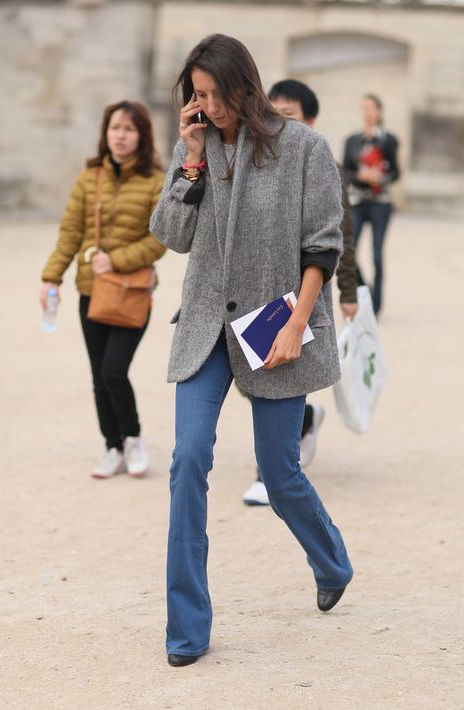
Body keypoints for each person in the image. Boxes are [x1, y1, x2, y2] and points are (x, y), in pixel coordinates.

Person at [150, 34, 353, 668]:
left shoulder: (305, 149)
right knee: (188, 460)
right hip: (207, 324)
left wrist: (296, 323)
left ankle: (331, 562)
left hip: (274, 329)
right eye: (195, 97)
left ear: (244, 86)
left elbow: (323, 244)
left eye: (212, 95)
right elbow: (171, 235)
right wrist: (188, 160)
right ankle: (187, 629)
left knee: (281, 472)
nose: (204, 108)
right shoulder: (198, 148)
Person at [243, 79, 358, 507]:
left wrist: (349, 290)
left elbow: (339, 239)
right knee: (248, 378)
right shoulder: (258, 159)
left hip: (299, 291)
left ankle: (268, 473)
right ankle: (306, 420)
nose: (276, 123)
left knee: (275, 379)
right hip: (255, 290)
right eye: (271, 114)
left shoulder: (322, 163)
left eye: (287, 116)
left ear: (310, 121)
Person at [40, 100, 166, 479]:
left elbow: (160, 240)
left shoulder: (156, 180)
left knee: (114, 370)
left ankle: (134, 438)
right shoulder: (89, 177)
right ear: (105, 133)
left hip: (132, 290)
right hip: (90, 289)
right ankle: (112, 446)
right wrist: (51, 278)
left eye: (129, 129)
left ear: (142, 135)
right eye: (115, 128)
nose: (121, 135)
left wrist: (117, 259)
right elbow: (70, 234)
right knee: (98, 375)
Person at [343, 94, 399, 315]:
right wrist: (361, 176)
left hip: (381, 203)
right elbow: (345, 171)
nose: (368, 113)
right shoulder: (352, 141)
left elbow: (396, 171)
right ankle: (363, 290)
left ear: (379, 112)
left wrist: (381, 178)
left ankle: (375, 306)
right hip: (357, 201)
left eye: (372, 108)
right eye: (364, 108)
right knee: (350, 252)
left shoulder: (388, 140)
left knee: (377, 254)